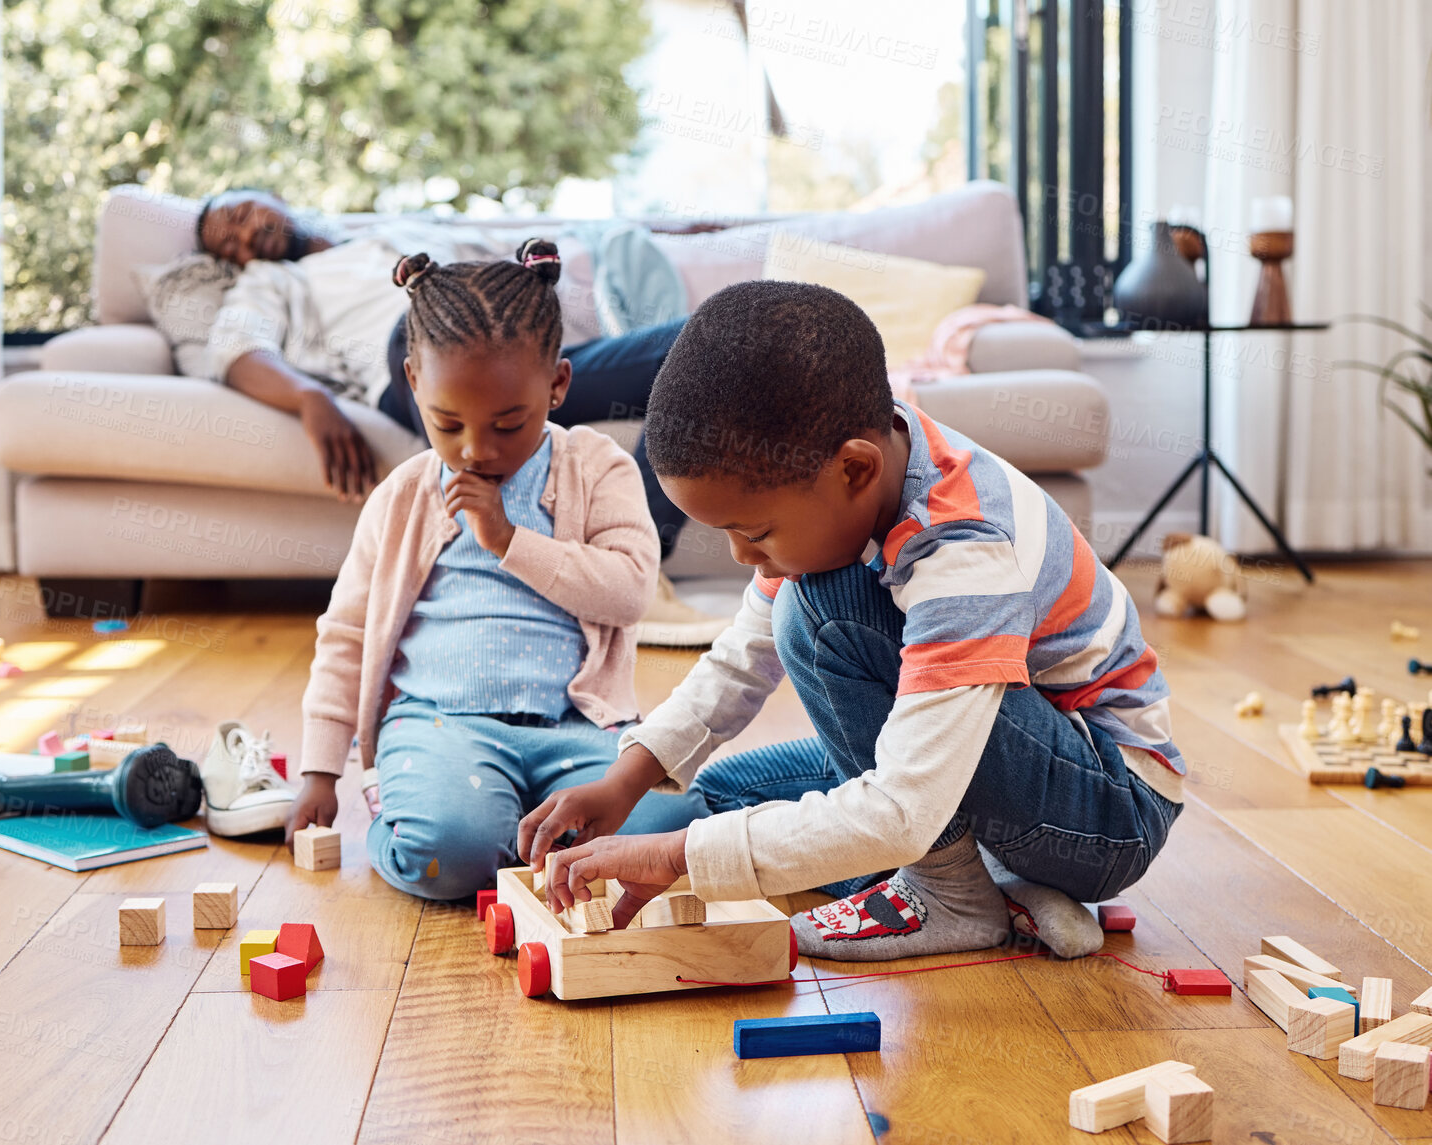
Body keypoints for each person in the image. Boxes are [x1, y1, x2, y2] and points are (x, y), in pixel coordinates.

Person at [517, 280, 1184, 963]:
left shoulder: (964, 550)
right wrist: (627, 774)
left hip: (1108, 812)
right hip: (998, 765)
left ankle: (950, 894)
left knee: (825, 612)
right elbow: (743, 651)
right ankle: (1004, 886)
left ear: (854, 469)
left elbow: (902, 806)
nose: (742, 556)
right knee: (721, 795)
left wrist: (677, 857)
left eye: (755, 531)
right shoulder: (858, 449)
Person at [281, 240, 706, 900]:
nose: (477, 449)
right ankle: (452, 818)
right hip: (440, 723)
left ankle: (511, 833)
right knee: (443, 855)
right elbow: (346, 632)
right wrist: (317, 768)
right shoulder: (402, 495)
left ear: (558, 385)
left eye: (509, 424)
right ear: (413, 383)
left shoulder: (595, 468)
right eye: (447, 424)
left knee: (671, 826)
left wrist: (509, 539)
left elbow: (628, 592)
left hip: (577, 727)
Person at [194, 189, 725, 646]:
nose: (244, 240)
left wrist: (668, 231)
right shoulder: (279, 281)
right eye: (228, 245)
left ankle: (627, 569)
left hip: (519, 352)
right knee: (440, 328)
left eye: (241, 216)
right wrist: (312, 399)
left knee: (701, 344)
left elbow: (568, 242)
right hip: (418, 351)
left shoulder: (404, 227)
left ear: (274, 199)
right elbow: (239, 349)